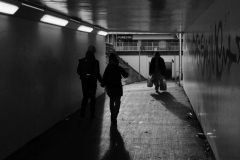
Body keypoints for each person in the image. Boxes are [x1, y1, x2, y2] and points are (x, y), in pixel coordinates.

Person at [101, 53, 128, 125]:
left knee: (112, 100)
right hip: (117, 87)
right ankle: (115, 115)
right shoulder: (118, 67)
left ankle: (112, 113)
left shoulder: (108, 68)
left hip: (110, 87)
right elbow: (126, 75)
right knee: (118, 101)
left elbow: (105, 77)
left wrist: (102, 84)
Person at [78, 45, 103, 119]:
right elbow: (97, 73)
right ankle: (92, 114)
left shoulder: (82, 61)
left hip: (84, 81)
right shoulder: (95, 62)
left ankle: (82, 112)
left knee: (85, 96)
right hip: (92, 82)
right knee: (92, 97)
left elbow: (78, 71)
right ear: (93, 52)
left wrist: (84, 76)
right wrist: (102, 82)